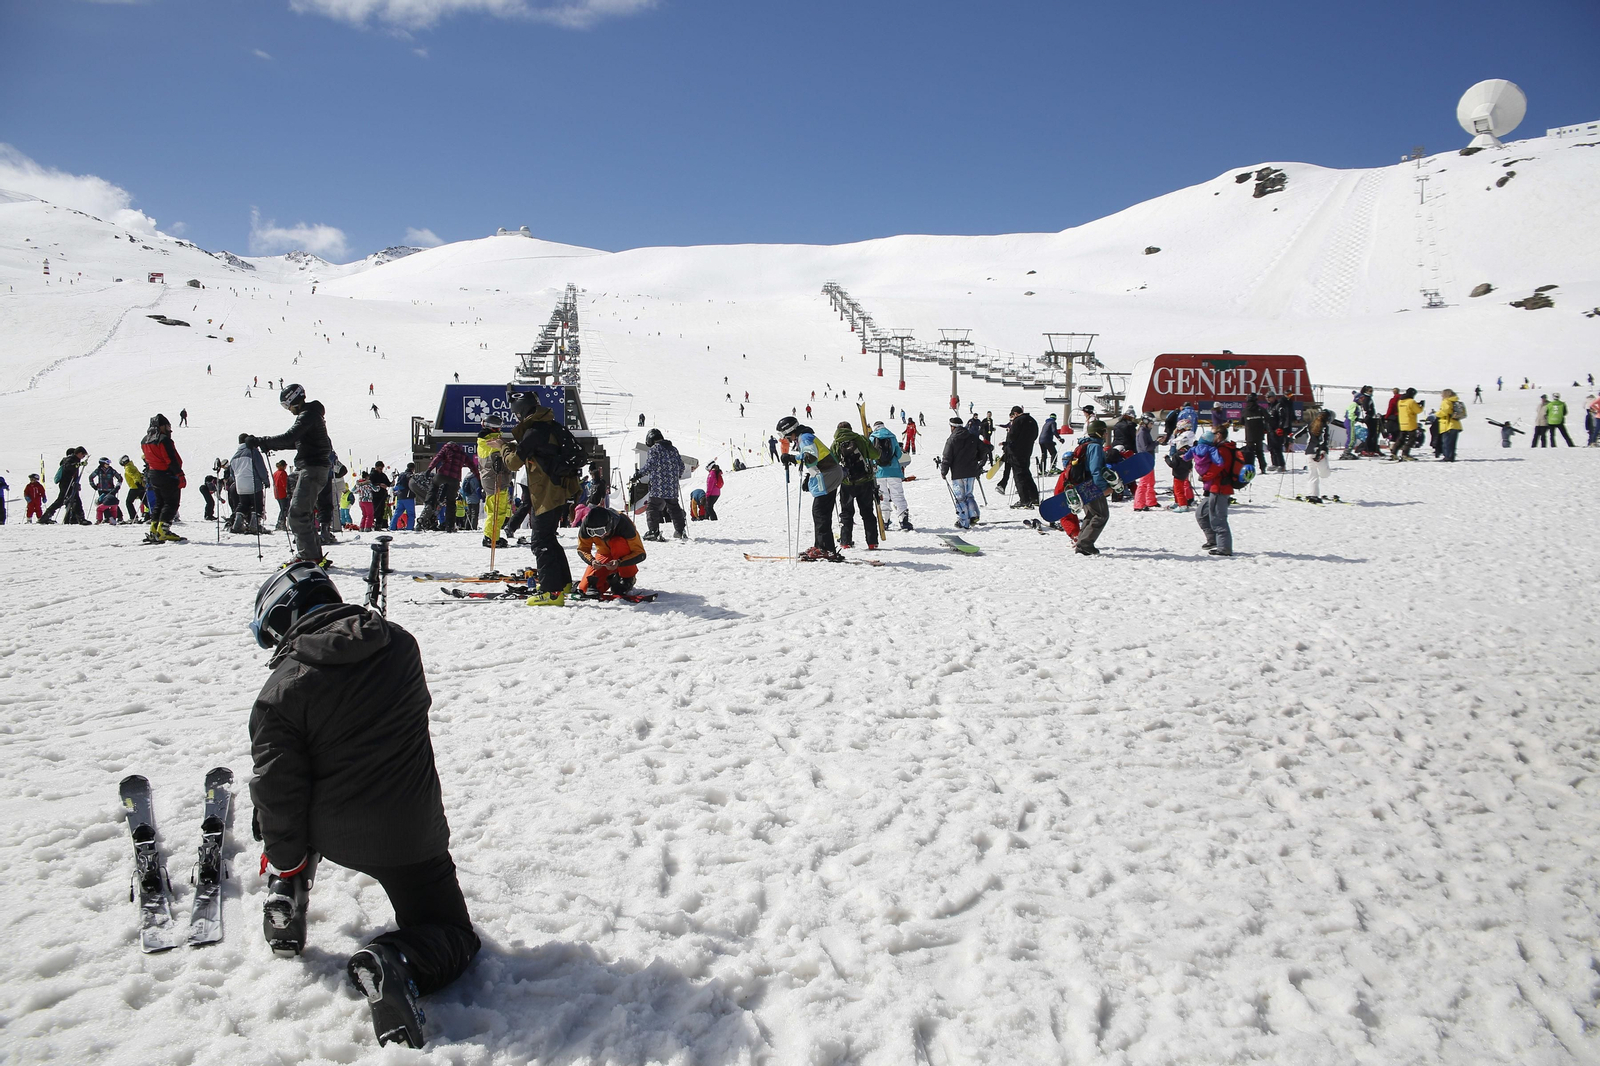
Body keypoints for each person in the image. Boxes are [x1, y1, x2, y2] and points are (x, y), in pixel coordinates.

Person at [246, 563, 480, 1050]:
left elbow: (277, 789)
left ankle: (287, 890)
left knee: (279, 805)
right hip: (412, 832)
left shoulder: (280, 691)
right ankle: (396, 960)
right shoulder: (399, 644)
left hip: (328, 829)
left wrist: (285, 857)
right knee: (452, 934)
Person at [504, 391, 582, 605]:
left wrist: (502, 448)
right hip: (559, 490)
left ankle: (551, 592)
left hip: (546, 493)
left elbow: (512, 463)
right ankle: (562, 583)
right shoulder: (551, 426)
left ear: (521, 410)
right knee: (549, 538)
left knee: (540, 541)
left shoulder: (535, 431)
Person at [247, 384, 332, 566]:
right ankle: (313, 556)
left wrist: (261, 441)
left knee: (296, 514)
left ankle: (308, 557)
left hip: (312, 468)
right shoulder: (311, 415)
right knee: (304, 513)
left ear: (294, 400)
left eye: (287, 405)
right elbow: (297, 442)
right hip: (315, 467)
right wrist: (266, 444)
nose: (288, 410)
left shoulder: (307, 415)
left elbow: (289, 437)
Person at [777, 415, 844, 560]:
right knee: (821, 512)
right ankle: (821, 546)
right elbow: (812, 458)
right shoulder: (804, 437)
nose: (785, 439)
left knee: (820, 512)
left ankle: (826, 549)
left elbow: (810, 458)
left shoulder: (804, 438)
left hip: (829, 474)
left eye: (783, 435)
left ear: (789, 431)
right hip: (829, 473)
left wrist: (792, 458)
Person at [1191, 424, 1242, 556]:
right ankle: (1214, 541)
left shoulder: (1222, 450)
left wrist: (1204, 476)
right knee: (1202, 514)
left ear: (1219, 435)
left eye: (1213, 434)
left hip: (1220, 488)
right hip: (1215, 488)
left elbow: (1216, 468)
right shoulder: (1222, 448)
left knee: (1218, 518)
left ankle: (1224, 548)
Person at [575, 506, 647, 597]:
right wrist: (592, 561)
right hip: (604, 553)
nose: (598, 536)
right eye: (593, 532)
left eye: (600, 531)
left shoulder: (624, 523)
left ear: (609, 525)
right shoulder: (586, 525)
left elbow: (640, 553)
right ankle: (611, 578)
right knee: (585, 588)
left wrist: (619, 562)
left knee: (617, 543)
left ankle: (627, 578)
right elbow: (582, 549)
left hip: (622, 554)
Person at [831, 421, 880, 550]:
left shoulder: (836, 443)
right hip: (865, 480)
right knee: (867, 512)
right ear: (851, 429)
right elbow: (875, 455)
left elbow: (833, 461)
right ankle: (872, 542)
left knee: (846, 512)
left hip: (847, 483)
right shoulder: (860, 439)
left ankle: (845, 541)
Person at [140, 415, 185, 543]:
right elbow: (170, 458)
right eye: (168, 426)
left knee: (159, 502)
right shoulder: (163, 439)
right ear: (162, 426)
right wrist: (179, 474)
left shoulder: (145, 440)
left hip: (153, 474)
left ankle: (154, 529)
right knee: (171, 503)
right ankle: (163, 531)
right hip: (167, 474)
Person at [639, 428, 687, 542]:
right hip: (672, 486)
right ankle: (680, 530)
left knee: (653, 508)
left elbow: (650, 465)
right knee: (674, 507)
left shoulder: (655, 449)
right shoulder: (673, 449)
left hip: (658, 485)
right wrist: (675, 476)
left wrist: (639, 474)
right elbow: (682, 467)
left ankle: (653, 531)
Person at [425, 441, 477, 534]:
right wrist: (478, 477)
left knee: (434, 485)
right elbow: (472, 465)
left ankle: (430, 503)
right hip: (454, 479)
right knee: (451, 502)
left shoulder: (446, 448)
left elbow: (437, 458)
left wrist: (429, 469)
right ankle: (450, 526)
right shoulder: (462, 453)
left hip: (442, 474)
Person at [476, 418, 513, 548]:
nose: (500, 429)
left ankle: (493, 536)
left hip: (497, 479)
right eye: (498, 427)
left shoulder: (491, 439)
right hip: (494, 480)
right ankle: (489, 538)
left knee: (499, 510)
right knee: (496, 510)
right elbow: (501, 452)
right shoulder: (488, 442)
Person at [941, 416, 982, 530]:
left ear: (952, 427)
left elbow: (947, 457)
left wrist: (944, 471)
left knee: (960, 497)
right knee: (969, 494)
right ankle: (973, 515)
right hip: (971, 471)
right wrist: (977, 459)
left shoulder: (952, 439)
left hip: (958, 473)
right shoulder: (971, 436)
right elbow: (984, 448)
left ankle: (964, 521)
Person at [870, 420, 912, 531]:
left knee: (883, 496)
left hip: (879, 472)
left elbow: (870, 456)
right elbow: (898, 454)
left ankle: (885, 521)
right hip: (893, 471)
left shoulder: (872, 438)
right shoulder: (891, 436)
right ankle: (903, 520)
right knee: (897, 494)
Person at [229, 435, 270, 534]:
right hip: (253, 483)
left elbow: (232, 473)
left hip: (240, 486)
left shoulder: (235, 456)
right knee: (257, 504)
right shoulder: (252, 451)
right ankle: (254, 525)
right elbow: (260, 467)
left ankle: (237, 524)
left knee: (243, 504)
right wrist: (265, 480)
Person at [39, 447, 89, 525]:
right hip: (67, 483)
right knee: (66, 500)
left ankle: (45, 517)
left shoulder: (74, 459)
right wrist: (79, 464)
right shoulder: (70, 459)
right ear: (79, 453)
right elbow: (69, 467)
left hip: (69, 483)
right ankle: (80, 519)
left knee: (71, 500)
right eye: (83, 455)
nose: (83, 457)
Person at [1003, 406, 1040, 508]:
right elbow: (1035, 435)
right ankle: (1034, 497)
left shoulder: (1018, 421)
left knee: (1019, 476)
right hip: (1027, 450)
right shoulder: (1032, 420)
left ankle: (1024, 500)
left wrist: (1008, 445)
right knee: (1026, 473)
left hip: (1016, 452)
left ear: (1015, 413)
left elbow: (1012, 436)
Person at [1302, 406, 1333, 500]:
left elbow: (1298, 433)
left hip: (1309, 452)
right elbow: (1322, 440)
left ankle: (1312, 494)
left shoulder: (1310, 424)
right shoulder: (1324, 426)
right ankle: (1313, 494)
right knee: (1325, 474)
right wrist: (1320, 453)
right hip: (1320, 453)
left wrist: (1291, 438)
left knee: (1312, 475)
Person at [1391, 388, 1423, 460]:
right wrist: (1421, 406)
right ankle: (1405, 454)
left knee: (1401, 438)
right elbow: (1418, 410)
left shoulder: (1400, 401)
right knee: (1411, 439)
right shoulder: (1411, 401)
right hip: (1410, 422)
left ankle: (1394, 452)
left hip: (1402, 422)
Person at [88, 458, 123, 524]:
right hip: (101, 490)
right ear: (102, 464)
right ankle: (107, 518)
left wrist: (117, 486)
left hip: (110, 490)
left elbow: (120, 478)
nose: (108, 464)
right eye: (107, 463)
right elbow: (91, 477)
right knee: (103, 504)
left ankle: (119, 516)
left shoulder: (111, 470)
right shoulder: (98, 470)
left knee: (112, 503)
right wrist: (94, 486)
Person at [1267, 392, 1294, 472]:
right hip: (1270, 430)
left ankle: (1281, 465)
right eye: (1267, 397)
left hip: (1277, 431)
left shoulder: (1279, 406)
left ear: (1273, 397)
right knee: (1271, 448)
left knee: (1277, 448)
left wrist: (1280, 428)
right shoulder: (1269, 407)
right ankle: (1274, 463)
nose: (1268, 399)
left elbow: (1282, 418)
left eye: (1269, 397)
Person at [1437, 389, 1464, 461]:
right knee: (1452, 443)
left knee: (1446, 443)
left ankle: (1447, 457)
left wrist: (1437, 414)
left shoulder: (1446, 401)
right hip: (1456, 424)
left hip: (1447, 424)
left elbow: (1445, 412)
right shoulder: (1456, 401)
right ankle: (1451, 456)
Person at [391, 463, 416, 530]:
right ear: (413, 468)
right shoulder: (410, 475)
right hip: (408, 497)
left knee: (397, 513)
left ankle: (392, 527)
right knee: (411, 514)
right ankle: (410, 528)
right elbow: (411, 481)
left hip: (399, 496)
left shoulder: (401, 474)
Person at [369, 461, 392, 528]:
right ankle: (373, 523)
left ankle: (380, 524)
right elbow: (371, 483)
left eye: (382, 468)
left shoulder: (383, 475)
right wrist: (379, 485)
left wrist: (391, 484)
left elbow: (388, 483)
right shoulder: (372, 475)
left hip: (383, 495)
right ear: (376, 467)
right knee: (376, 509)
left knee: (382, 510)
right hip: (375, 495)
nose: (381, 470)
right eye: (379, 468)